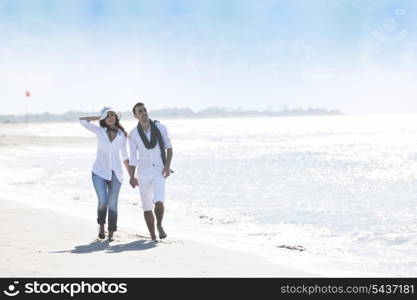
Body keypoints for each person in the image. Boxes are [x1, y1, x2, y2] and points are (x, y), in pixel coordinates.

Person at [79, 107, 130, 240]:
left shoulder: (122, 135)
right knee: (103, 201)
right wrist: (99, 117)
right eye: (107, 116)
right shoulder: (99, 131)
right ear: (103, 119)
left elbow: (125, 157)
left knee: (112, 204)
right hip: (99, 172)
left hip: (116, 174)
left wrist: (131, 176)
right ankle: (101, 227)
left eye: (113, 115)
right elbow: (82, 121)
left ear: (116, 118)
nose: (111, 117)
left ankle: (111, 232)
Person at [128, 102, 173, 241]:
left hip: (159, 170)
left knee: (159, 200)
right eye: (140, 111)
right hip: (143, 173)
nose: (143, 113)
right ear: (135, 115)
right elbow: (133, 158)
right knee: (147, 206)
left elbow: (169, 148)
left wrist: (167, 166)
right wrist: (131, 176)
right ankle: (153, 236)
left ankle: (159, 225)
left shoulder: (160, 127)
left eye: (144, 110)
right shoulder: (133, 134)